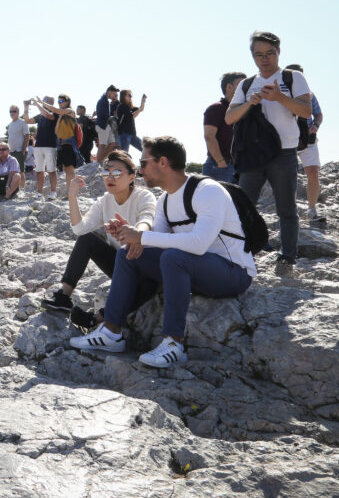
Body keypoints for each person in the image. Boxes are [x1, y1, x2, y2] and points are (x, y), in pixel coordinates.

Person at [69, 136, 256, 367]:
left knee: (173, 257)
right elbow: (153, 240)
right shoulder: (165, 200)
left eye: (144, 162)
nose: (140, 169)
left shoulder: (208, 191)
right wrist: (128, 234)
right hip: (194, 269)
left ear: (163, 162)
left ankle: (173, 344)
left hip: (232, 273)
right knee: (126, 253)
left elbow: (198, 243)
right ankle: (111, 332)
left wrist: (142, 236)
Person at [226, 31, 311, 272]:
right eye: (258, 55)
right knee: (242, 208)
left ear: (279, 52)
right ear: (252, 56)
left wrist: (279, 97)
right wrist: (248, 103)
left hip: (283, 153)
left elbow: (305, 111)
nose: (264, 59)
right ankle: (240, 254)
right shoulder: (246, 84)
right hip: (253, 155)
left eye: (269, 53)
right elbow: (230, 117)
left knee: (286, 208)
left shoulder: (292, 77)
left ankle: (287, 258)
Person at [41, 151, 156, 314]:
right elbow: (79, 229)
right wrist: (72, 196)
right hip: (121, 265)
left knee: (145, 283)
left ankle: (101, 318)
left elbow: (147, 218)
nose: (110, 177)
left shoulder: (144, 196)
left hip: (144, 266)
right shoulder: (105, 201)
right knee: (87, 239)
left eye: (116, 172)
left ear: (131, 177)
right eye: (105, 173)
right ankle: (63, 296)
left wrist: (136, 235)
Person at [286, 64, 324, 221]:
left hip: (308, 140)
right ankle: (288, 211)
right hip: (287, 141)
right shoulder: (281, 95)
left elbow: (319, 114)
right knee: (286, 176)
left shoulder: (309, 95)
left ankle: (312, 210)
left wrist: (316, 125)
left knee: (313, 173)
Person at [202, 72, 246, 184]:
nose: (245, 88)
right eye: (241, 84)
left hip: (240, 167)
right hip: (219, 167)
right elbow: (209, 136)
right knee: (214, 201)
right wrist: (220, 162)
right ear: (229, 87)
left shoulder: (243, 110)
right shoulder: (216, 108)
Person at [33, 94, 83, 191]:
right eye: (58, 101)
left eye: (61, 101)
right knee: (67, 170)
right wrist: (59, 118)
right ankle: (70, 192)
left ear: (67, 102)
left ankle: (73, 192)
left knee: (70, 170)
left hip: (69, 144)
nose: (59, 103)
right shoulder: (61, 115)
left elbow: (56, 111)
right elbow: (56, 131)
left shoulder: (70, 111)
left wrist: (41, 103)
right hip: (61, 145)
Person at [24, 96, 58, 199]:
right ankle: (39, 193)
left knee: (51, 170)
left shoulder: (55, 113)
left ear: (52, 102)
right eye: (43, 100)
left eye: (46, 100)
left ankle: (53, 192)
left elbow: (48, 115)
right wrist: (26, 108)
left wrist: (37, 104)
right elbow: (27, 121)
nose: (44, 102)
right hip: (38, 146)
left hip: (50, 146)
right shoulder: (40, 115)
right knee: (39, 170)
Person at [115, 90, 147, 155]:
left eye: (131, 96)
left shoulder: (128, 107)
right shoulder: (122, 106)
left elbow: (141, 109)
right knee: (123, 156)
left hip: (132, 134)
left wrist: (143, 101)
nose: (130, 97)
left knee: (145, 150)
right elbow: (131, 116)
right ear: (124, 96)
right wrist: (139, 109)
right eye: (129, 95)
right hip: (124, 135)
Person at [94, 85, 119, 163]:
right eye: (113, 93)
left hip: (106, 126)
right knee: (102, 145)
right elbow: (102, 115)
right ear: (109, 92)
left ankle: (100, 160)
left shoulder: (105, 100)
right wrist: (112, 117)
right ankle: (98, 163)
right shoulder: (103, 101)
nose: (114, 95)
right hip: (102, 126)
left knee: (112, 143)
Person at [6, 105, 30, 172]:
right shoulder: (10, 124)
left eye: (14, 111)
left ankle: (22, 183)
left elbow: (27, 136)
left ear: (18, 112)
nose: (12, 113)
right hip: (12, 152)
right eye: (10, 111)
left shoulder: (23, 122)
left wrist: (23, 150)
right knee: (13, 172)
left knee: (21, 172)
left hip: (20, 151)